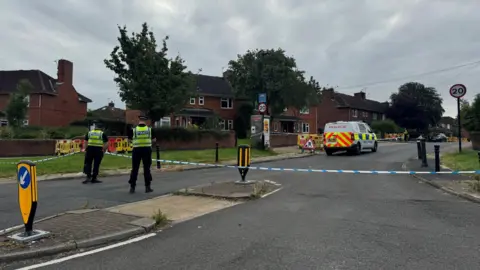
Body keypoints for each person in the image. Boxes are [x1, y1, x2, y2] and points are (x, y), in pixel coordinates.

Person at [128, 115, 156, 193]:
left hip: (136, 150)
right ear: (146, 121)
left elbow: (128, 140)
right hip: (147, 150)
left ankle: (132, 187)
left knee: (135, 169)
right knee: (146, 169)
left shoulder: (133, 130)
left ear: (139, 120)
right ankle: (147, 187)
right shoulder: (150, 130)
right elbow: (154, 140)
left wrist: (134, 143)